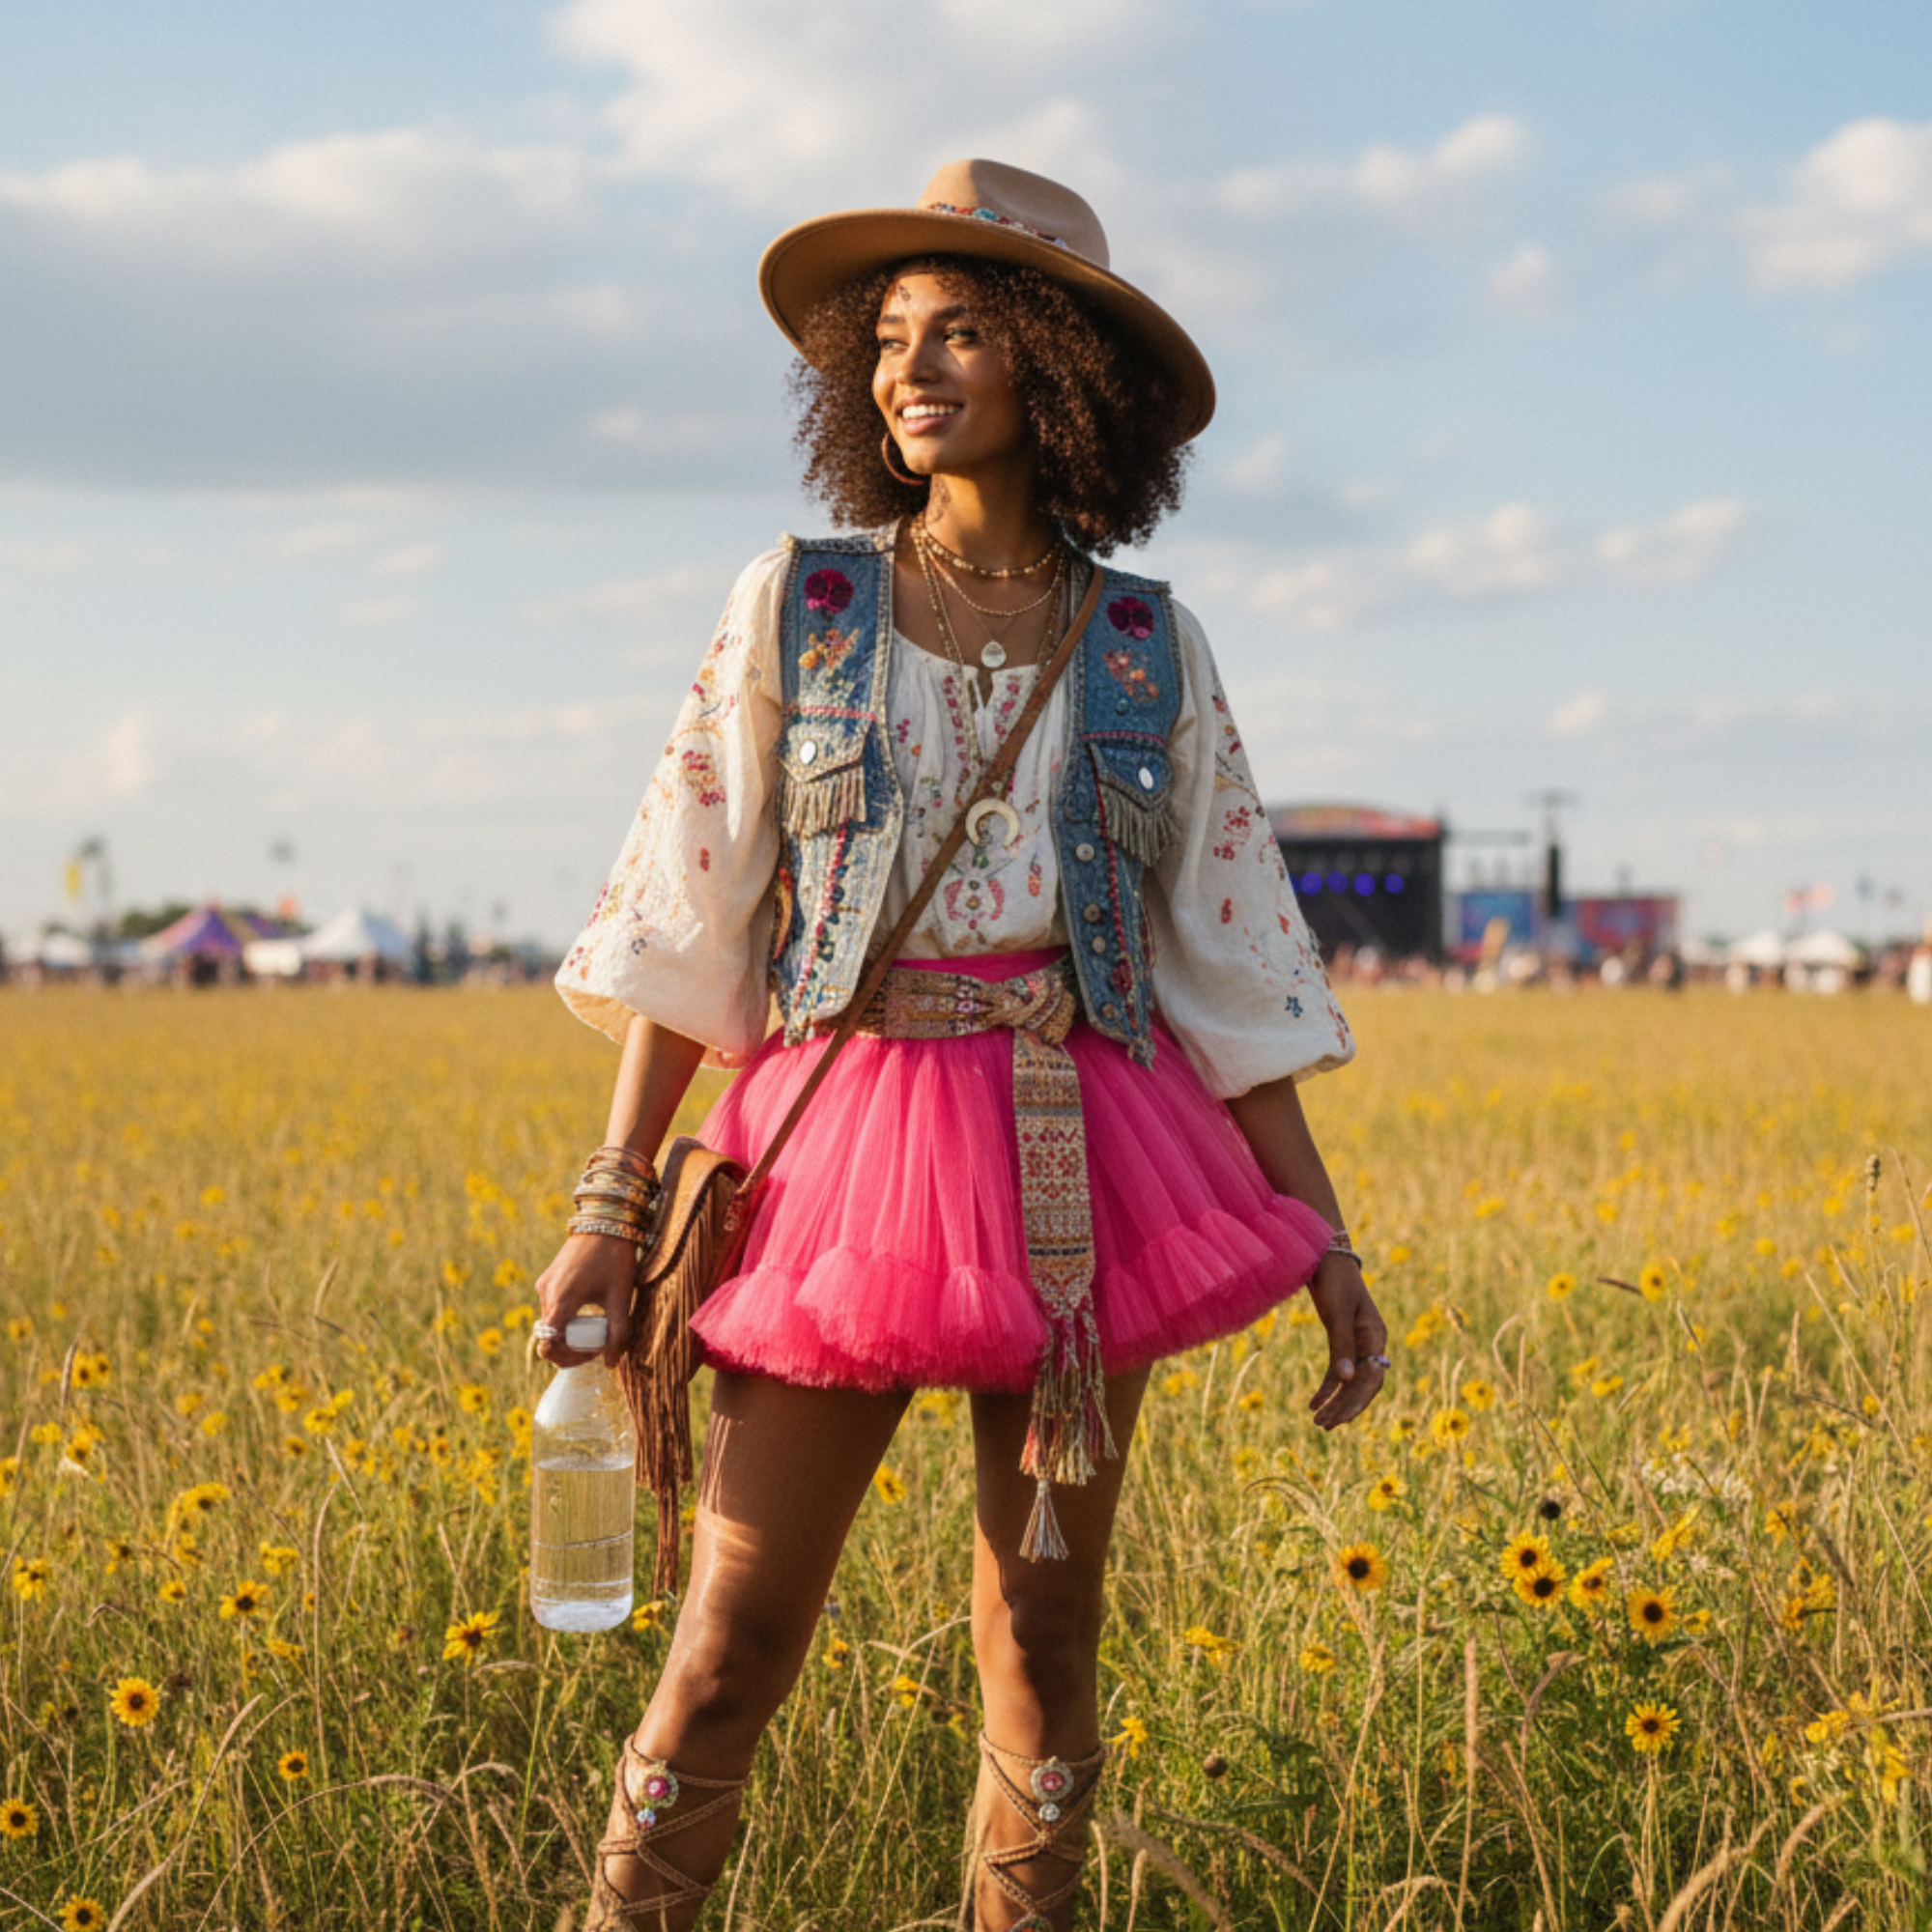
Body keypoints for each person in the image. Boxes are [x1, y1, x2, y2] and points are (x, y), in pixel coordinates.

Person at [537, 159, 1391, 1932]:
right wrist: (613, 1203)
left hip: (1094, 1162)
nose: (911, 371)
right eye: (890, 338)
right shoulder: (802, 603)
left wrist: (1329, 1245)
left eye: (967, 331)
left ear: (1057, 370)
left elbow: (1231, 963)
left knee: (1048, 1629)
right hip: (838, 1153)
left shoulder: (1151, 643)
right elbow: (687, 915)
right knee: (731, 1638)